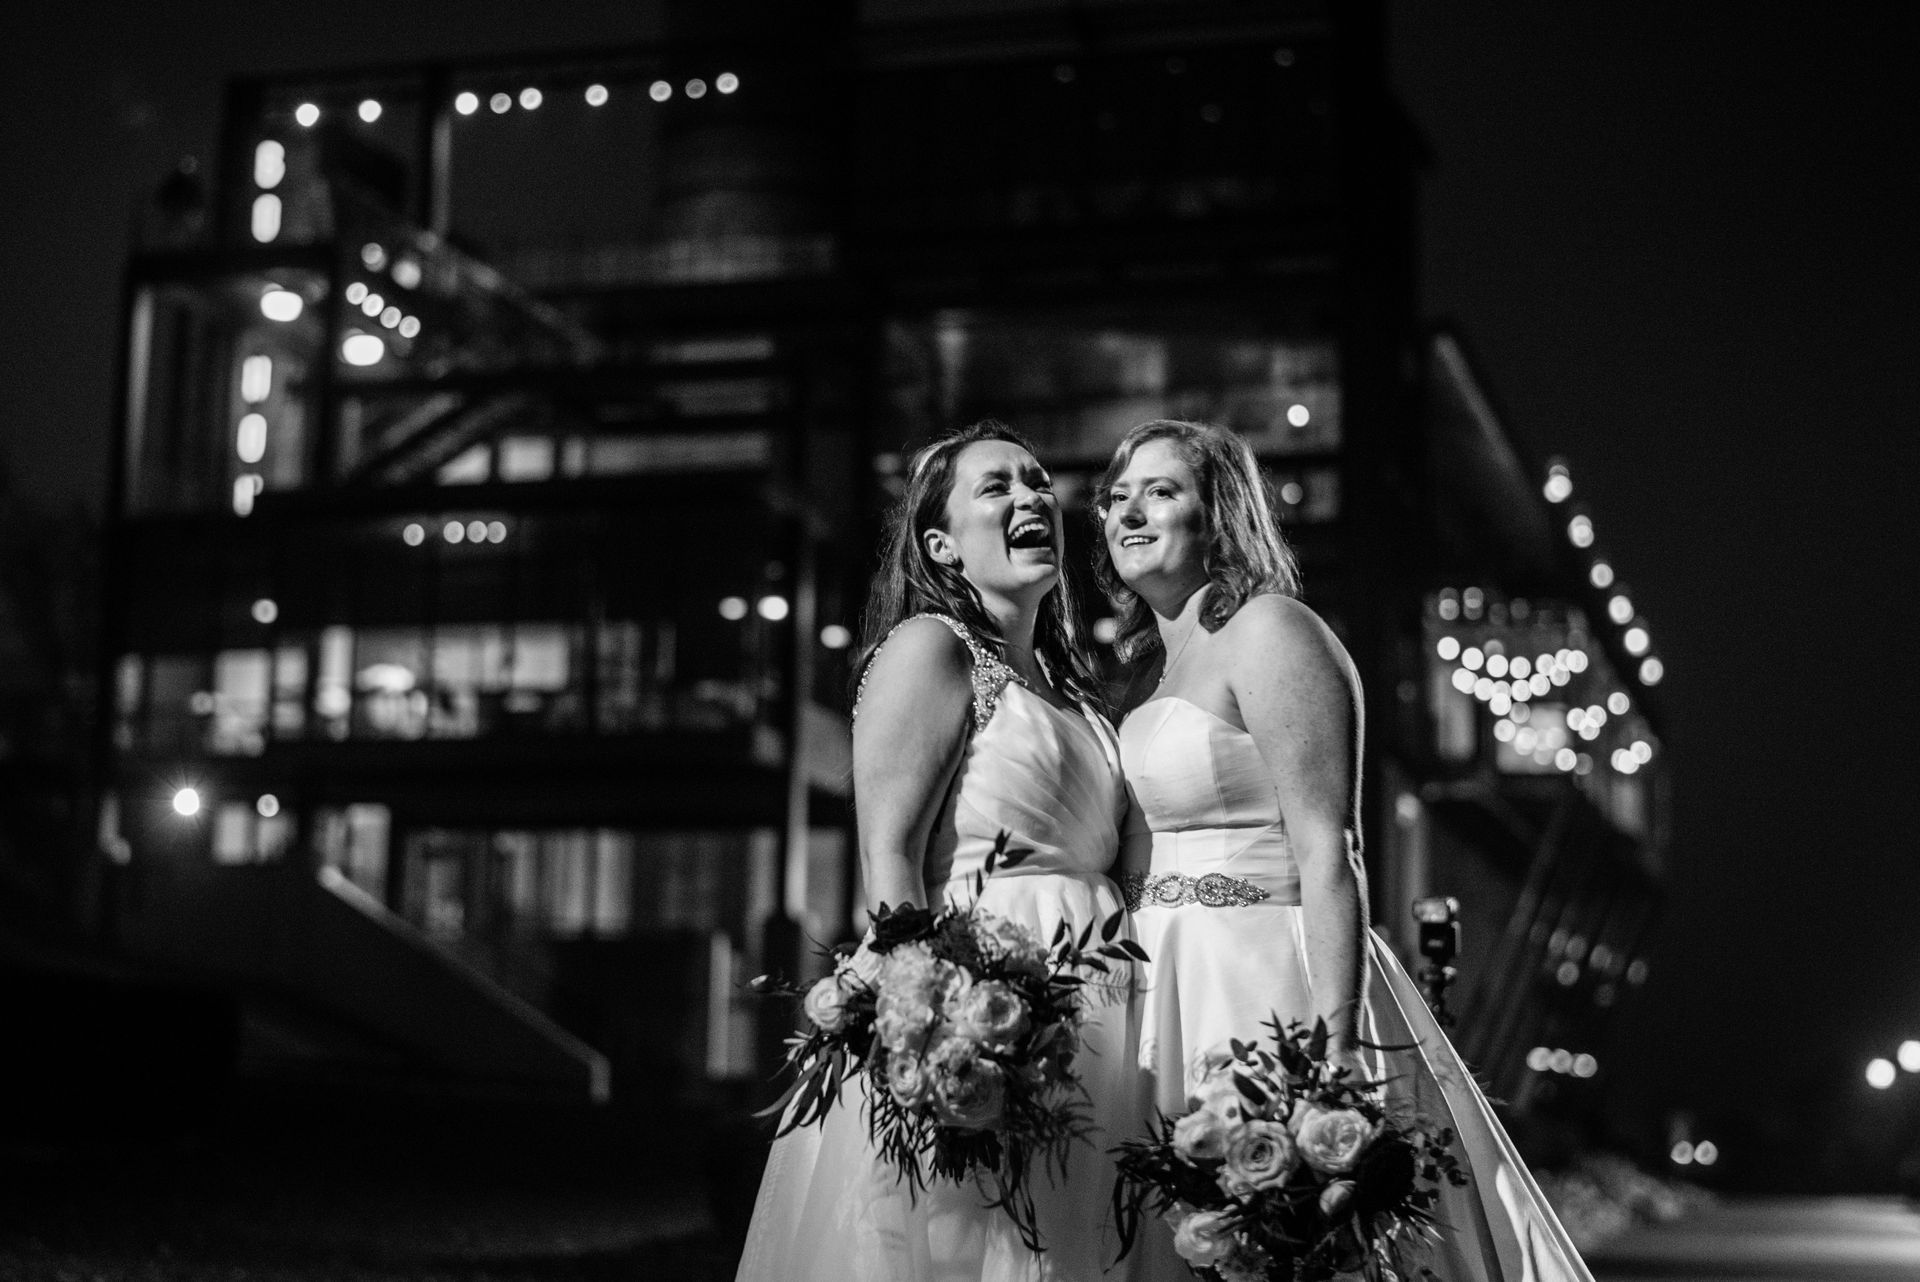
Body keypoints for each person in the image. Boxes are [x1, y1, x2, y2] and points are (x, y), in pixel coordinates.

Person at [1098, 419, 1592, 1281]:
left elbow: (1332, 849)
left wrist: (1335, 1049)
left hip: (1262, 983)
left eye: (1161, 491)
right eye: (1116, 496)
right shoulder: (1142, 672)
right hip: (1159, 983)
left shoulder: (1271, 631)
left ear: (1219, 516)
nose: (1128, 511)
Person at [735, 422, 1142, 1282]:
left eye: (1037, 483)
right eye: (997, 488)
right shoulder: (930, 649)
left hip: (1102, 1013)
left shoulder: (1074, 691)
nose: (1031, 497)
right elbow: (889, 858)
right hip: (987, 1009)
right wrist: (935, 1032)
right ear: (941, 545)